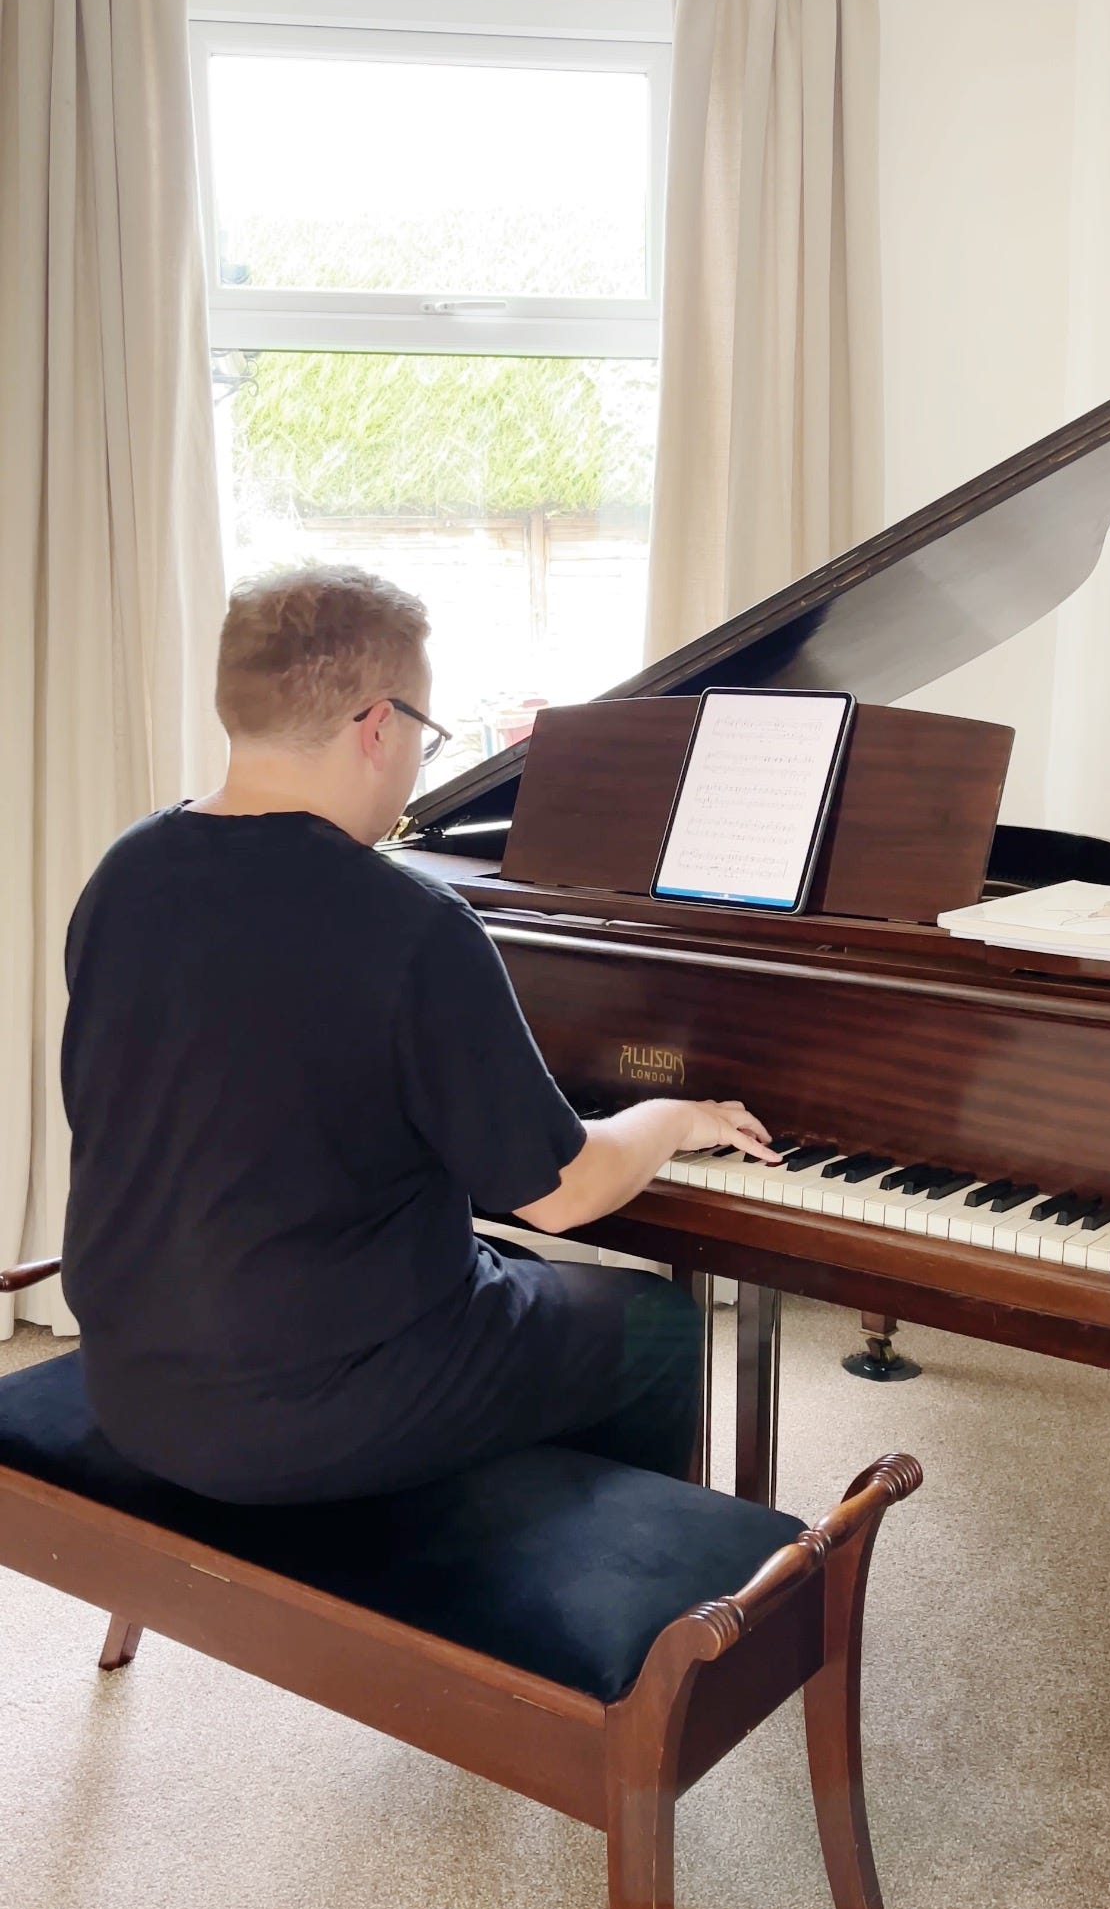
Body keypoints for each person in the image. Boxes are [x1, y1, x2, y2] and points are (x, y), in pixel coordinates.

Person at [60, 564, 778, 1506]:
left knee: (514, 1278)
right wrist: (670, 1115)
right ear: (377, 725)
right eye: (424, 735)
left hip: (134, 1379)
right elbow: (566, 1193)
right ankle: (616, 1602)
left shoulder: (126, 869)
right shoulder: (408, 921)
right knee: (655, 1323)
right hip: (318, 1409)